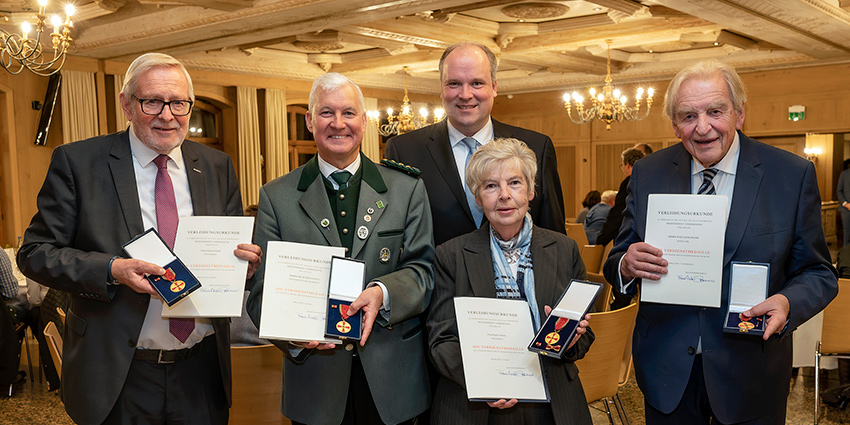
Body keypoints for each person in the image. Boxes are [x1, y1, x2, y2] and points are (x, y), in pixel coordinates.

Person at [16, 53, 262, 425]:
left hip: (201, 372)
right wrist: (111, 269)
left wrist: (242, 268)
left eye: (179, 102)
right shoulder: (79, 163)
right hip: (118, 372)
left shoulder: (216, 165)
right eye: (153, 101)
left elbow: (230, 251)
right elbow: (35, 253)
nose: (168, 115)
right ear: (127, 105)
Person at [602, 60, 838, 424]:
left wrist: (788, 303)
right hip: (667, 369)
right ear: (674, 125)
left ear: (740, 113)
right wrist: (625, 264)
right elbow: (618, 256)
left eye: (715, 111)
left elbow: (819, 273)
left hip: (750, 368)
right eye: (688, 115)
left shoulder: (790, 175)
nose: (703, 127)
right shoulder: (649, 172)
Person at [246, 72, 434, 425]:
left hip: (393, 382)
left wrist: (384, 292)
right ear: (309, 121)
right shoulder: (277, 196)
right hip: (315, 383)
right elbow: (260, 294)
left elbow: (424, 271)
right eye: (326, 113)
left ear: (364, 121)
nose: (338, 124)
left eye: (349, 113)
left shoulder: (406, 189)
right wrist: (293, 336)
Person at [427, 137, 593, 425]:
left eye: (514, 183)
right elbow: (441, 341)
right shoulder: (450, 255)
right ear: (477, 198)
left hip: (551, 398)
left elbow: (584, 337)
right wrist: (484, 381)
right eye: (491, 185)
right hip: (477, 402)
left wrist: (571, 338)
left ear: (530, 191)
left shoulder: (565, 250)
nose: (504, 195)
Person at [385, 42, 566, 247]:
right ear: (441, 88)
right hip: (437, 277)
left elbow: (554, 238)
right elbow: (396, 239)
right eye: (454, 83)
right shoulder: (404, 150)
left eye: (477, 83)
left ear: (494, 87)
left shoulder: (536, 147)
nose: (465, 94)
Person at [595, 148, 644, 248]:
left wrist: (601, 240)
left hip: (629, 240)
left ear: (627, 164)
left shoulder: (629, 183)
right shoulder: (647, 180)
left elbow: (618, 214)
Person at [836, 159, 850, 246]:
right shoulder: (844, 174)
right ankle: (846, 258)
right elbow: (839, 191)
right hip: (846, 210)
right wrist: (846, 204)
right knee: (847, 236)